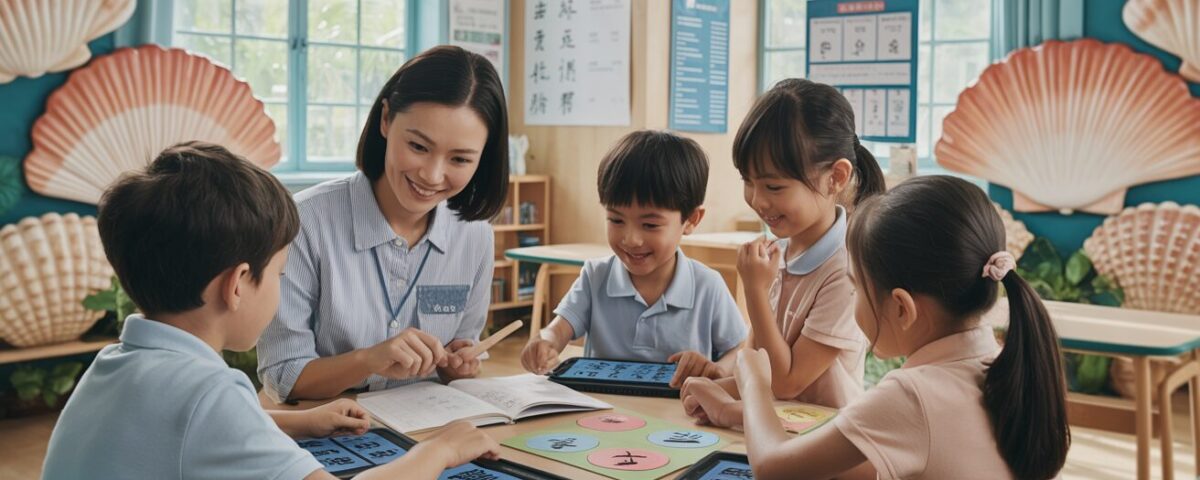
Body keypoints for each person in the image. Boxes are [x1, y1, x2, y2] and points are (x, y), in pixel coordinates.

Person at [42, 142, 501, 480]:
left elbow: (187, 425)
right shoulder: (208, 391)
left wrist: (298, 421)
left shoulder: (118, 363)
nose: (280, 288)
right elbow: (209, 414)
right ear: (238, 284)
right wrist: (439, 451)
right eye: (279, 275)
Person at [685, 175, 1070, 479]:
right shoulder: (996, 362)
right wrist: (732, 413)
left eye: (856, 289)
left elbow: (772, 469)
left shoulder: (911, 394)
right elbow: (865, 461)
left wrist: (753, 383)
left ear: (901, 308)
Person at [258, 46, 510, 402]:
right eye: (419, 146)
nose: (432, 175)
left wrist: (458, 365)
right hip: (327, 433)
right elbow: (282, 376)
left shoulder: (475, 236)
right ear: (386, 119)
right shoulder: (306, 223)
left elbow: (462, 349)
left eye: (459, 159)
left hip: (426, 431)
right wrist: (370, 360)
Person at [521, 130, 747, 388]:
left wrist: (716, 369)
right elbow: (559, 329)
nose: (631, 239)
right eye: (616, 220)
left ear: (691, 220)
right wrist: (545, 342)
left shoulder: (708, 285)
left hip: (679, 417)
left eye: (650, 225)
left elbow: (739, 349)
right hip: (602, 415)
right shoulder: (595, 276)